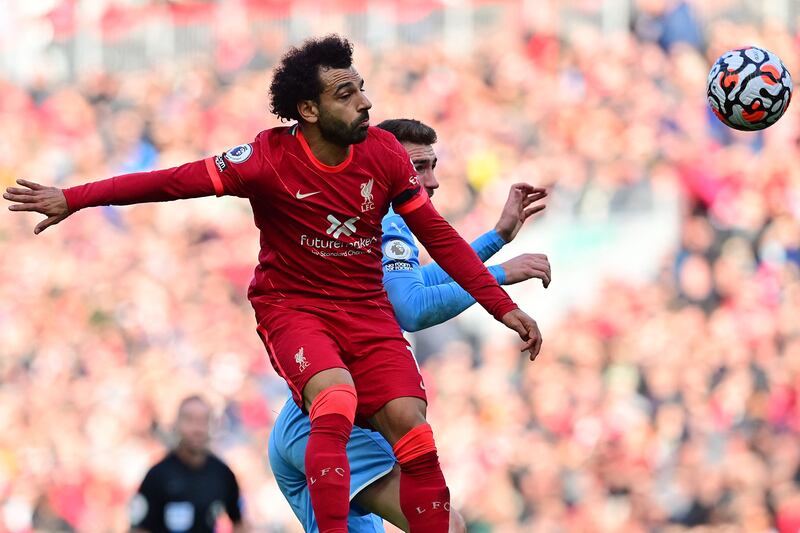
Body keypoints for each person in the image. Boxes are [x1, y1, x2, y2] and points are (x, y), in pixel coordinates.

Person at [4, 35, 543, 533]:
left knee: (415, 428)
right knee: (333, 396)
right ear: (308, 110)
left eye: (362, 88)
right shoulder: (266, 159)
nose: (365, 102)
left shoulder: (380, 156)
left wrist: (501, 305)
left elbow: (442, 242)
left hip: (362, 313)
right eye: (346, 92)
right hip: (297, 311)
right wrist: (74, 197)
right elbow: (169, 182)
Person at [268, 118, 551, 532]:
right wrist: (499, 276)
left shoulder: (365, 214)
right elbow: (411, 307)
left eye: (433, 166)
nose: (433, 181)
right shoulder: (386, 220)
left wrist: (496, 240)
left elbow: (413, 282)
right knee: (444, 525)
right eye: (419, 167)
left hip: (312, 418)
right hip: (331, 420)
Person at [130, 396, 247, 533]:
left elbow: (239, 522)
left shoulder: (223, 474)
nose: (197, 428)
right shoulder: (156, 475)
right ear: (177, 424)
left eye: (203, 421)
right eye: (189, 420)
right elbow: (139, 528)